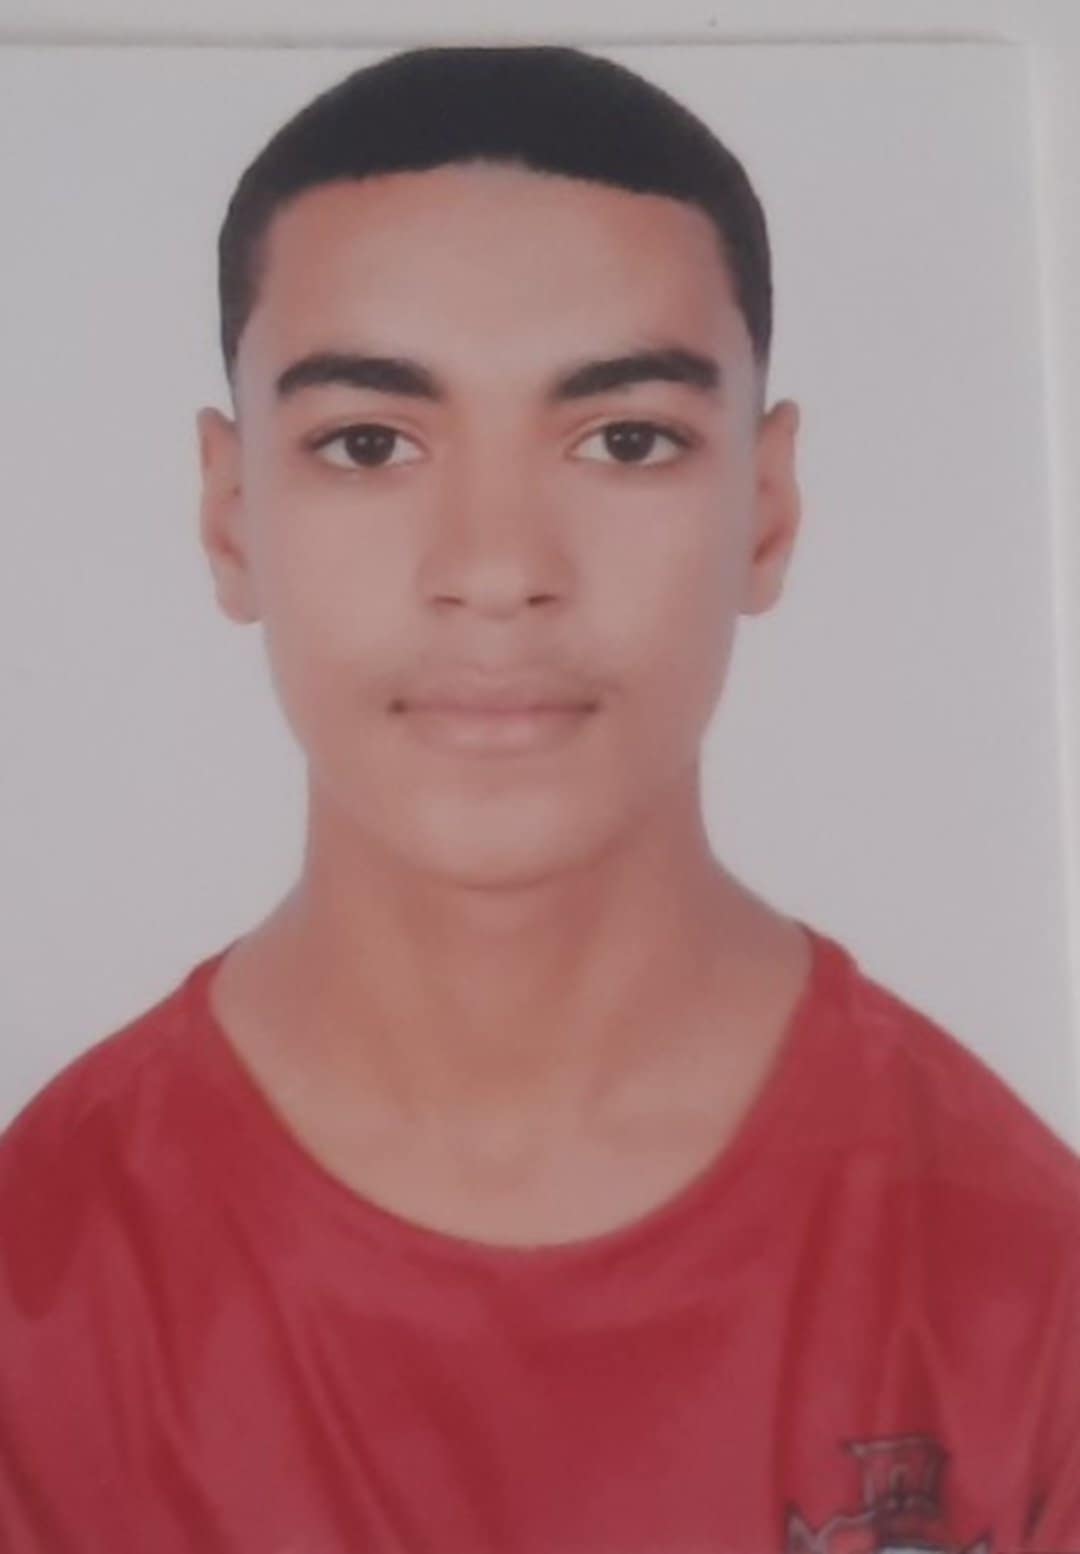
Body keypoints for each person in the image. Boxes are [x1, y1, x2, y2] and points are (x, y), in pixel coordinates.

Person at [1, 42, 1077, 1554]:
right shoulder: (38, 1296)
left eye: (625, 440)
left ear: (765, 510)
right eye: (368, 444)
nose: (498, 567)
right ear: (230, 516)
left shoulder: (1023, 1282)